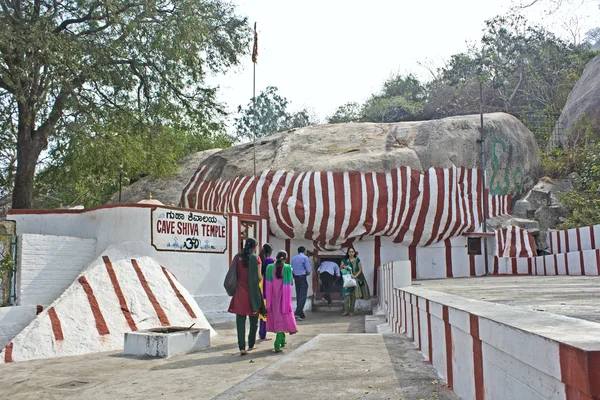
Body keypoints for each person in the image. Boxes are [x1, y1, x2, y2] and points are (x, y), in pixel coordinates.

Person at [228, 238, 263, 356]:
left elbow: (233, 274)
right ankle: (251, 344)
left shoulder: (237, 258)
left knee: (240, 322)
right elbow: (259, 278)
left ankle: (242, 347)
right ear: (254, 247)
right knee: (254, 322)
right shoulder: (256, 259)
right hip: (252, 294)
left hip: (239, 294)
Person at [264, 251, 298, 352]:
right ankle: (277, 344)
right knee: (282, 319)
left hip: (273, 298)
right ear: (285, 258)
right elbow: (291, 282)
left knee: (278, 318)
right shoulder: (287, 268)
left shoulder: (269, 267)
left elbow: (267, 283)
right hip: (284, 299)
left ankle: (283, 340)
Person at [341, 246, 371, 316]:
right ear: (348, 253)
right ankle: (346, 311)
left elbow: (360, 269)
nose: (351, 253)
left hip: (354, 279)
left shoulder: (357, 260)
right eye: (349, 252)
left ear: (354, 253)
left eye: (352, 252)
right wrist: (344, 267)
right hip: (347, 280)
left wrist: (355, 276)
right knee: (346, 296)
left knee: (353, 296)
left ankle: (351, 311)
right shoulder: (345, 260)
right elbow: (341, 268)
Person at [258, 243, 274, 341]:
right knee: (266, 311)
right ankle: (263, 334)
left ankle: (261, 333)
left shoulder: (260, 259)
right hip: (267, 286)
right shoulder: (270, 260)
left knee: (262, 311)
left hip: (260, 285)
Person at [290, 246, 311, 321]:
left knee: (299, 295)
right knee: (303, 296)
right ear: (304, 251)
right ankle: (297, 313)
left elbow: (291, 268)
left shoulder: (293, 258)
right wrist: (305, 273)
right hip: (302, 277)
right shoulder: (305, 258)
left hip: (296, 277)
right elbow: (308, 270)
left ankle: (300, 313)